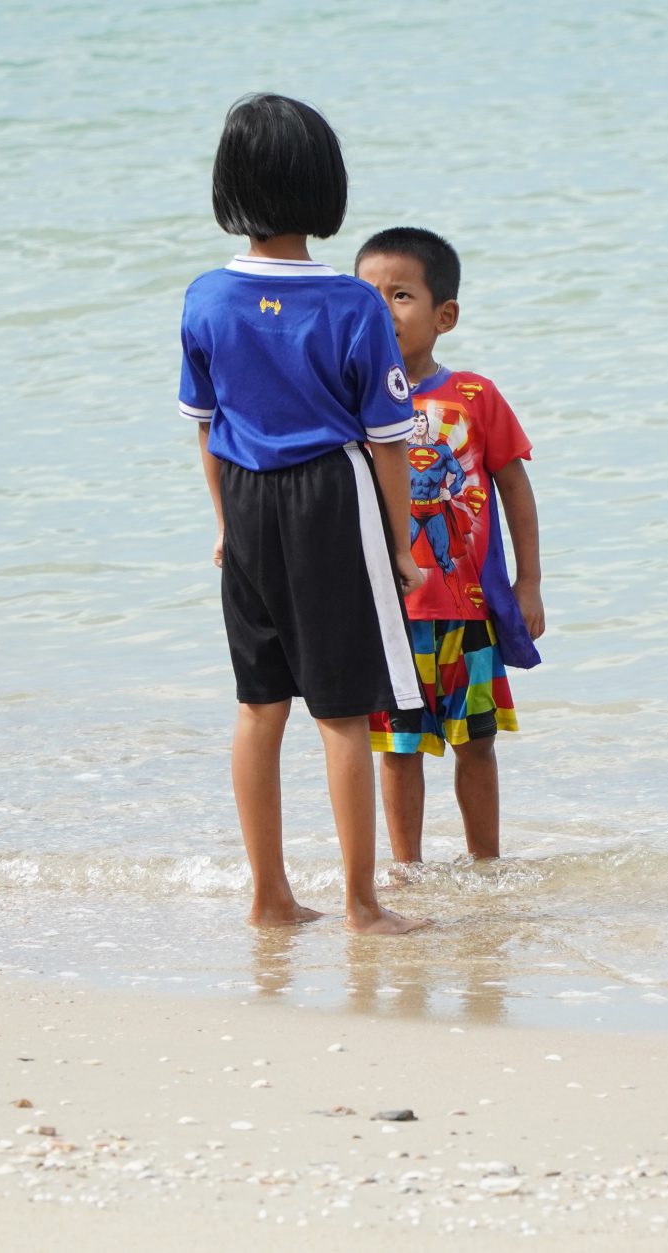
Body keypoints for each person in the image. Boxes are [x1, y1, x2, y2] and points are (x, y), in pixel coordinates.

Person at [179, 95, 427, 935]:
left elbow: (207, 429)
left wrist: (222, 523)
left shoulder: (207, 297)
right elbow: (389, 441)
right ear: (327, 185)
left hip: (246, 499)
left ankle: (270, 896)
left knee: (259, 705)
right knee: (344, 713)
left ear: (229, 186)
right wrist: (401, 546)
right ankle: (362, 904)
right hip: (332, 498)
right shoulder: (352, 304)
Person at [354, 227, 544, 866]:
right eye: (367, 295)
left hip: (469, 613)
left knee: (478, 743)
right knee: (398, 747)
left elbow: (515, 487)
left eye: (401, 295)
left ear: (445, 315)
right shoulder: (348, 400)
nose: (383, 309)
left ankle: (485, 866)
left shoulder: (474, 396)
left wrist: (529, 584)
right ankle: (406, 871)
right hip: (389, 616)